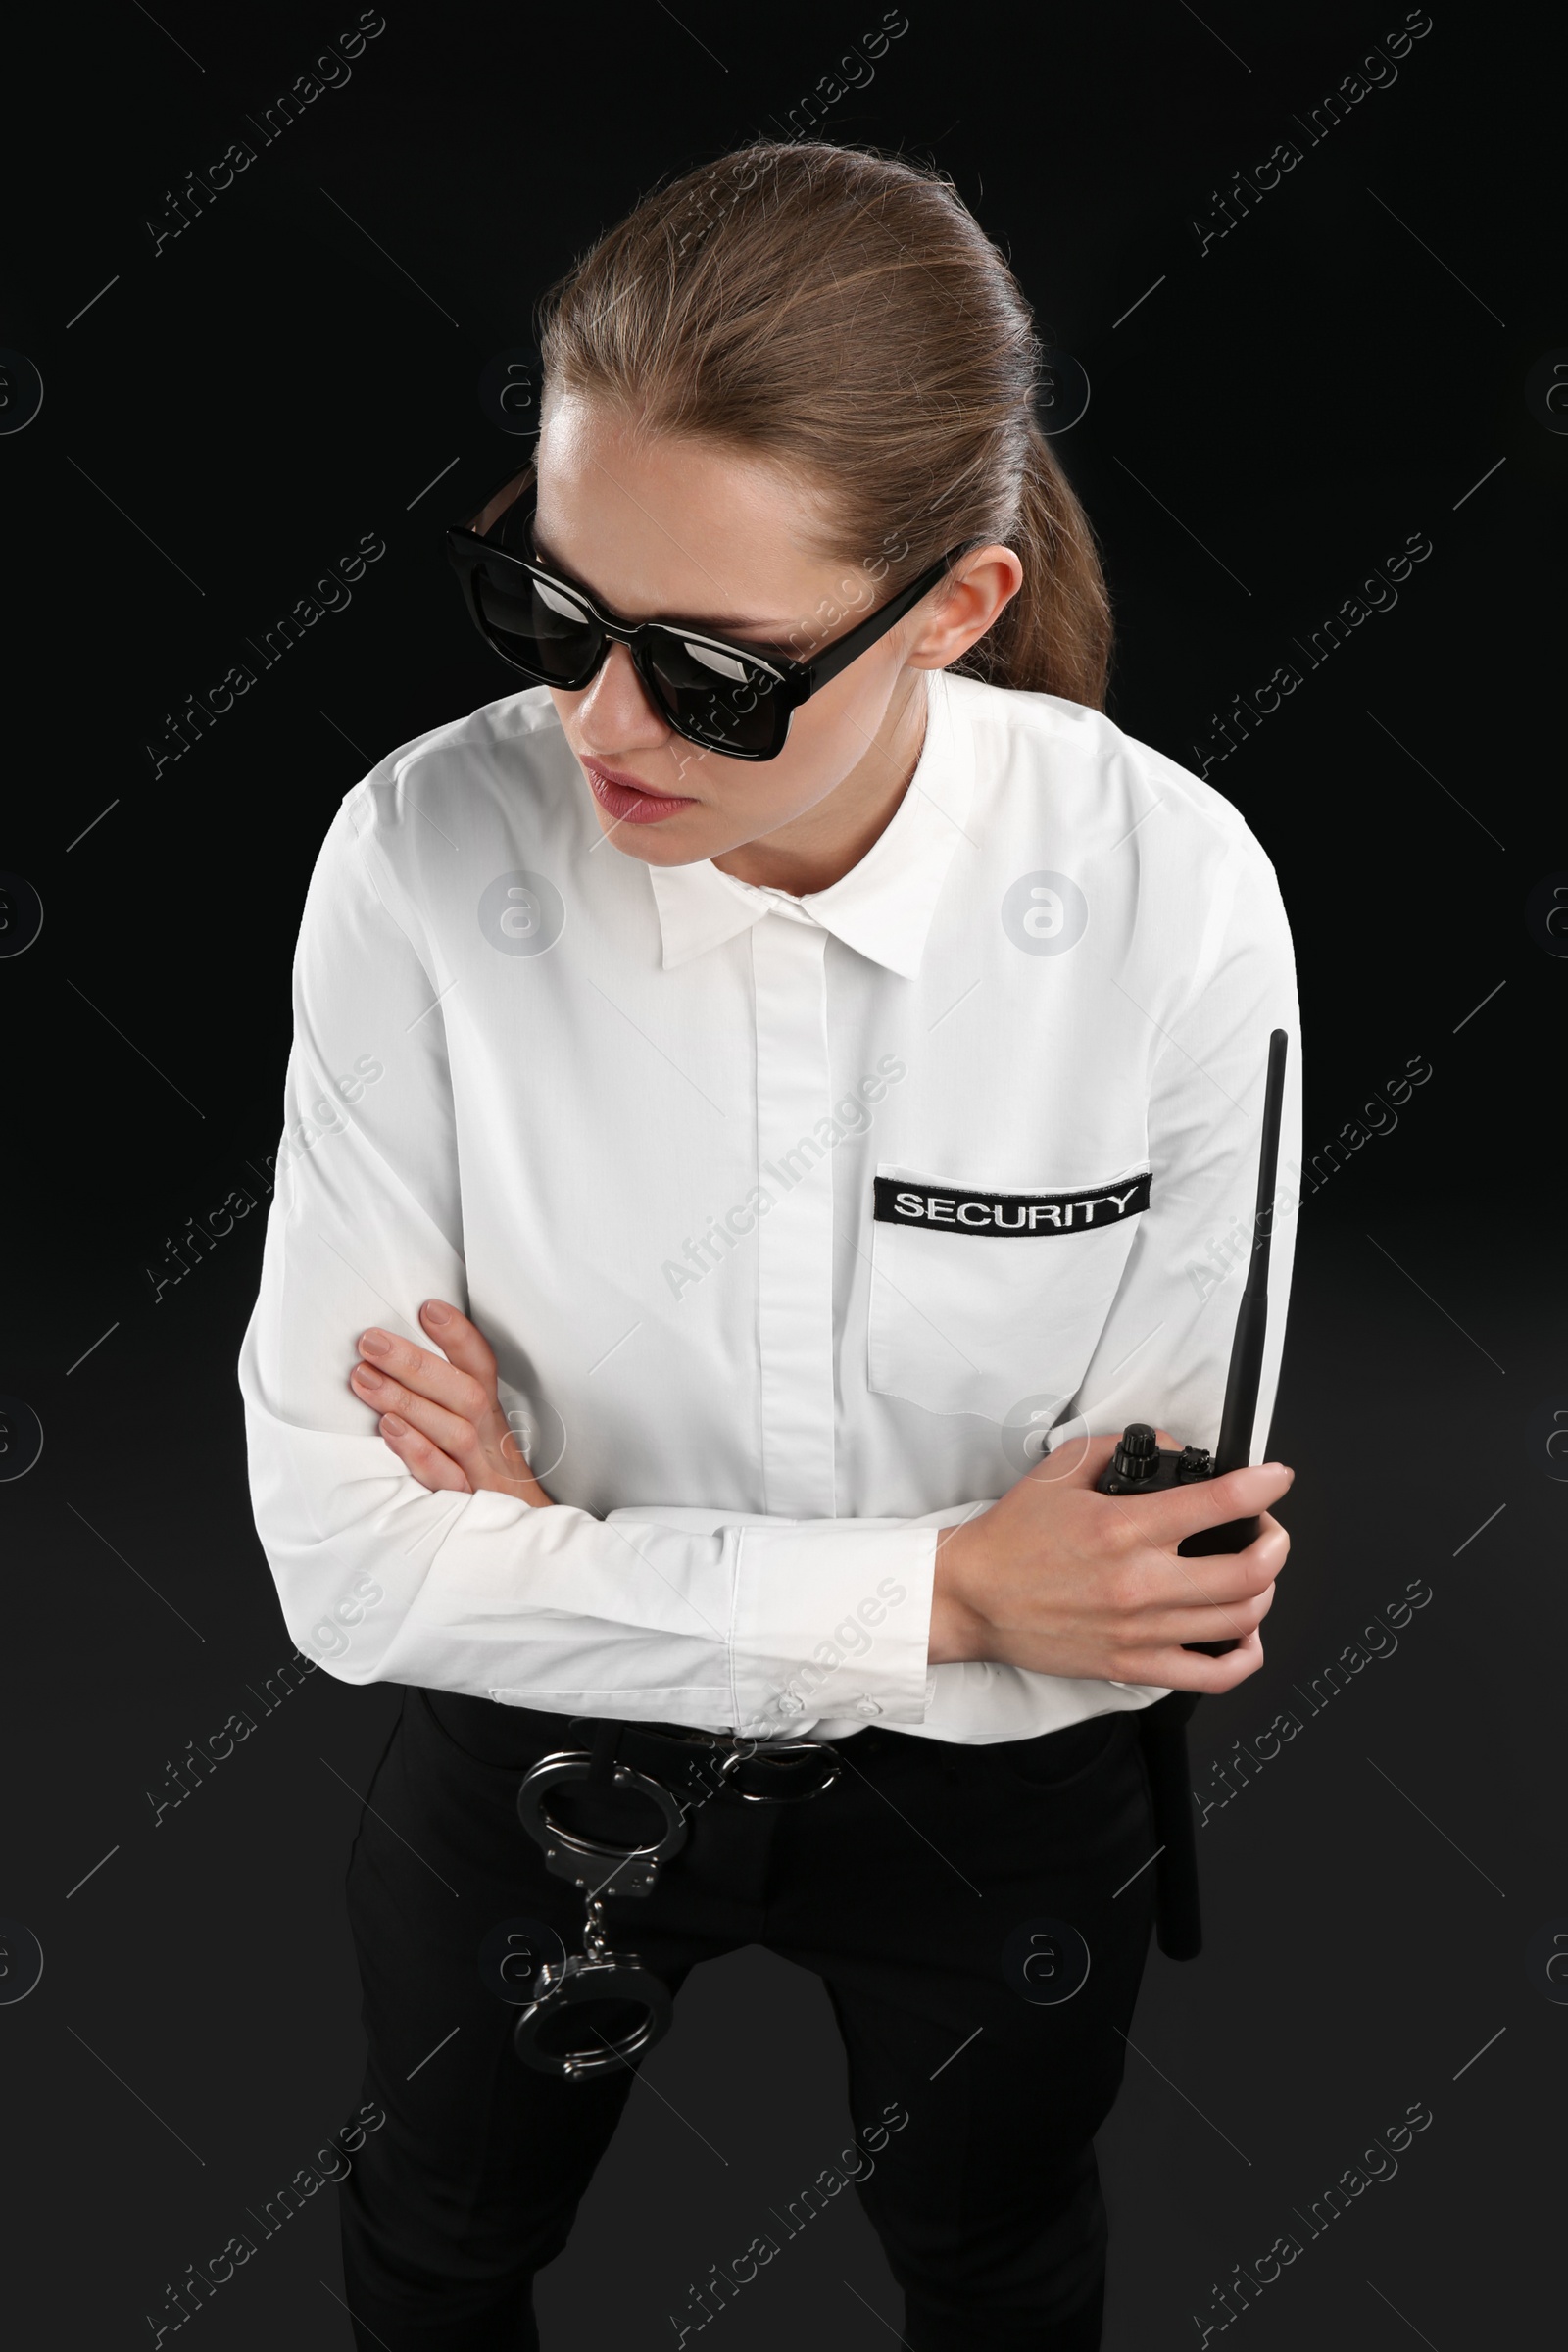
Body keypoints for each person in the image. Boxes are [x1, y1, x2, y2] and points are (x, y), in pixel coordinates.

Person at [238, 140, 1299, 2352]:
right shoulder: (422, 855)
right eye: (550, 609)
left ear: (955, 609)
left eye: (712, 670)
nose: (596, 728)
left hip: (991, 1814)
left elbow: (1134, 1594)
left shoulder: (1172, 896)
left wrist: (554, 1557)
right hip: (521, 1790)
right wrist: (936, 1587)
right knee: (436, 2246)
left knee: (994, 2263)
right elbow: (349, 1569)